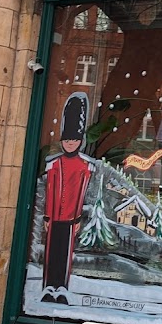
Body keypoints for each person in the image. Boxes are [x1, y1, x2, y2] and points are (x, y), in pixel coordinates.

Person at [41, 91, 94, 304]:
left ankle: (61, 287)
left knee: (65, 254)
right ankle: (48, 287)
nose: (70, 143)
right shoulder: (54, 164)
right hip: (55, 217)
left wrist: (78, 218)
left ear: (80, 140)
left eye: (74, 139)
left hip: (71, 218)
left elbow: (81, 193)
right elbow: (51, 191)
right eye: (67, 139)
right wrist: (47, 217)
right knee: (51, 253)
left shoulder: (84, 166)